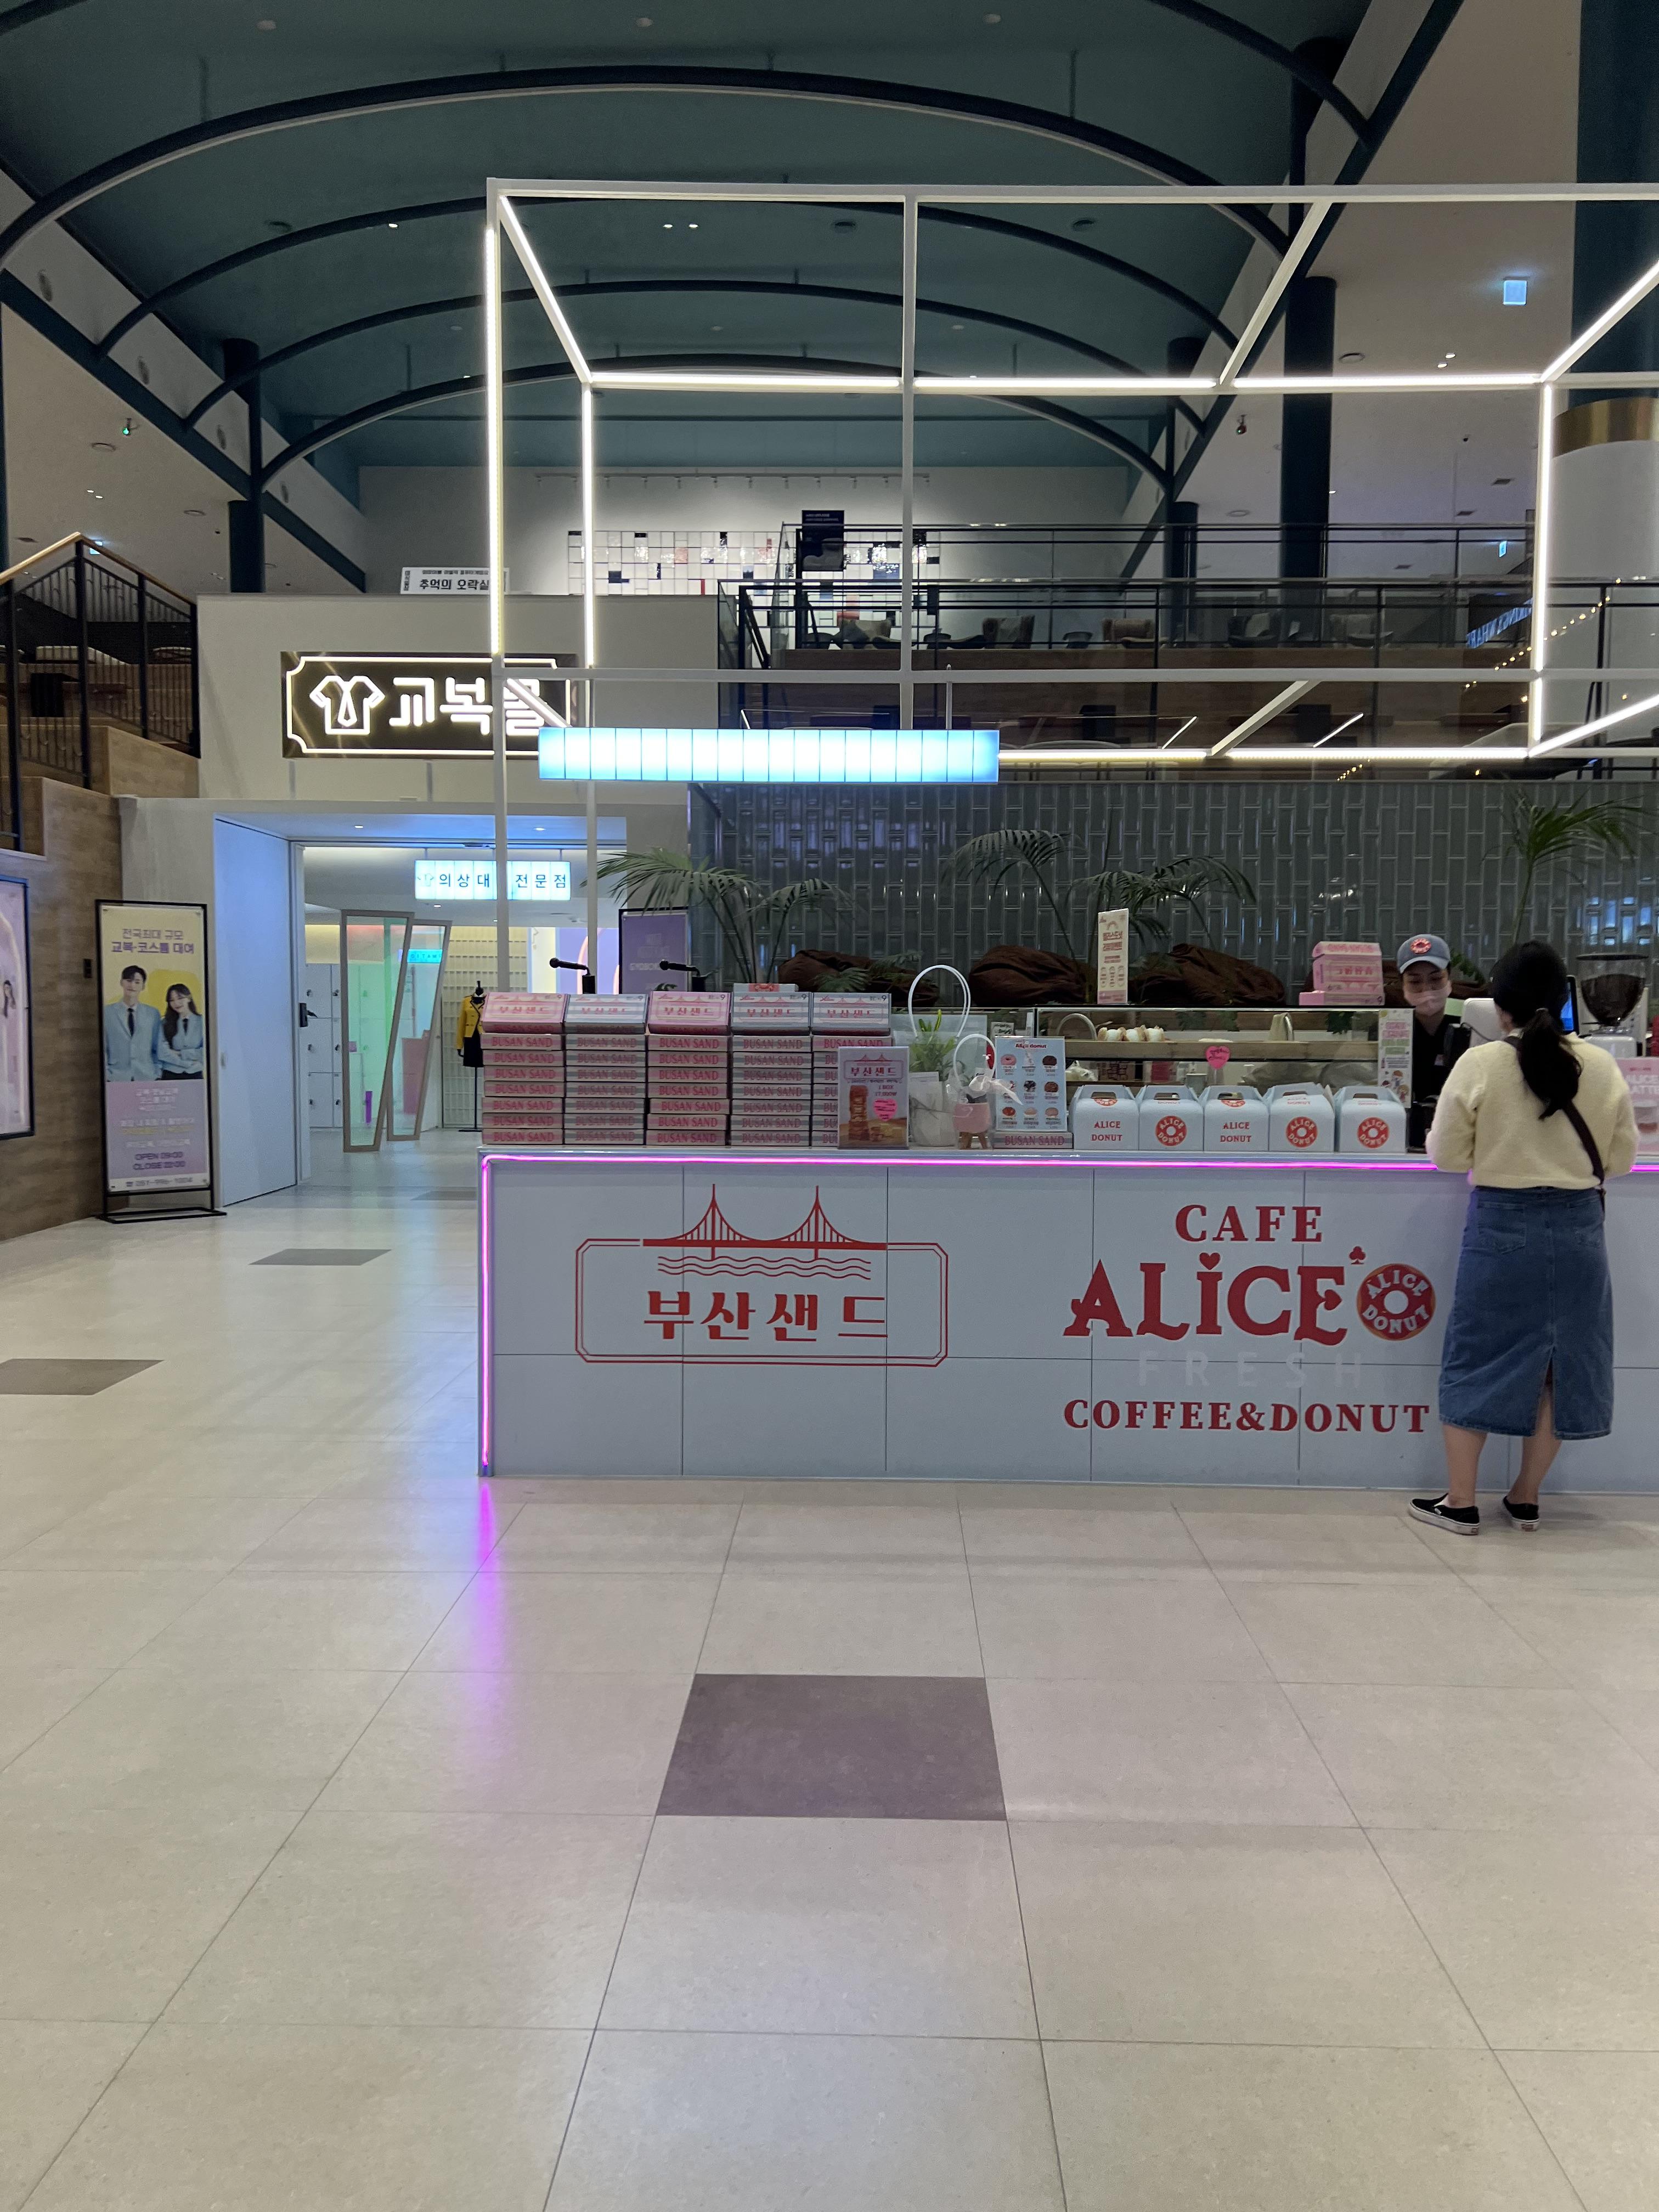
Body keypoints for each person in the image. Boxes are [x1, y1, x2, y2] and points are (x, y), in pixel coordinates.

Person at [1414, 939, 1637, 1534]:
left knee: (1476, 1358)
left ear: (1500, 1005)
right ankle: (1526, 1497)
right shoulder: (1602, 1066)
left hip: (1502, 1227)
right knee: (1561, 1366)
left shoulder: (1480, 1064)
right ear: (1563, 1000)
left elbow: (1445, 1156)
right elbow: (1620, 1160)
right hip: (1579, 1230)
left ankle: (1461, 1501)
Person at [1396, 932, 1460, 1149]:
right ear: (1403, 985)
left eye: (1435, 979)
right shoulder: (1393, 1029)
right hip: (1404, 1136)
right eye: (1415, 981)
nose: (1427, 990)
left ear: (1449, 979)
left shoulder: (1467, 1024)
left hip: (1459, 1135)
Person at [103, 963, 161, 1081]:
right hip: (116, 1076)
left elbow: (157, 1046)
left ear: (143, 986)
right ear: (122, 983)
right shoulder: (107, 1012)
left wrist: (157, 1071)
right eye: (129, 981)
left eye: (137, 982)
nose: (132, 985)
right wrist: (107, 1074)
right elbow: (103, 1046)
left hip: (147, 1075)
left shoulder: (153, 1013)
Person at [156, 983, 205, 1077]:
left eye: (180, 998)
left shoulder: (203, 1022)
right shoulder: (164, 1023)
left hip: (195, 1073)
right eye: (172, 1000)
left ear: (189, 998)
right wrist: (186, 1063)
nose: (176, 1003)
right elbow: (162, 1053)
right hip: (170, 1073)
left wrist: (180, 1053)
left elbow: (205, 1052)